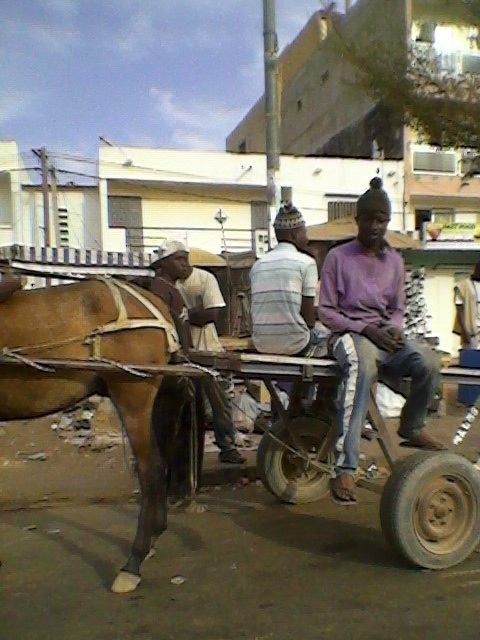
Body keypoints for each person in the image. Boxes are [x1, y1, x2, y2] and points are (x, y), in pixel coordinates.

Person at [318, 177, 444, 506]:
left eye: (381, 220)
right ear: (357, 220)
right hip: (347, 334)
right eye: (369, 219)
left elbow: (398, 309)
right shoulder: (338, 257)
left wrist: (395, 329)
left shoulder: (395, 261)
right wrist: (365, 328)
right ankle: (345, 467)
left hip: (383, 336)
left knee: (429, 361)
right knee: (361, 368)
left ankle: (412, 425)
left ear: (387, 222)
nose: (375, 226)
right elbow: (326, 312)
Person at [175, 244, 246, 465]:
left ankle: (227, 446)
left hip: (208, 348)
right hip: (185, 350)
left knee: (220, 402)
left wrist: (186, 317)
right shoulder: (174, 286)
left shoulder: (205, 279)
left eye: (182, 260)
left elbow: (212, 314)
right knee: (187, 402)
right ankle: (187, 452)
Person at [250, 201, 324, 356]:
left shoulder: (257, 265)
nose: (307, 238)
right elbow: (308, 319)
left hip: (261, 344)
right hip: (297, 345)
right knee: (328, 338)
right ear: (294, 235)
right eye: (304, 232)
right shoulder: (307, 263)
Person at [453, 260, 480, 349]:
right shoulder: (464, 285)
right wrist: (464, 331)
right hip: (471, 334)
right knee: (470, 360)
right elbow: (459, 309)